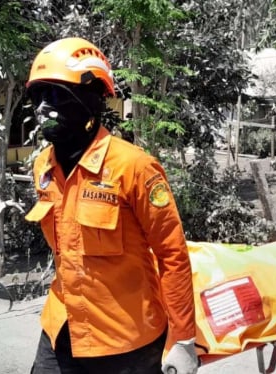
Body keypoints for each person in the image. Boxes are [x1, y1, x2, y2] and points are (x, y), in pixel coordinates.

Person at [24, 37, 198, 374]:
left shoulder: (134, 167)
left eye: (57, 94)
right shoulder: (43, 166)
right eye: (38, 96)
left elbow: (173, 256)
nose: (44, 106)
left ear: (91, 98)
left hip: (127, 343)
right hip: (61, 327)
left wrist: (183, 339)